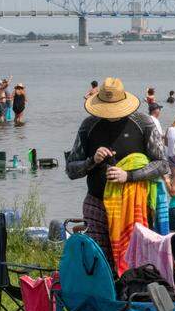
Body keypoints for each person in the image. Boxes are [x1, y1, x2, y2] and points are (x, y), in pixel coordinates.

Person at [65, 77, 169, 271]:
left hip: (133, 205)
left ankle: (129, 298)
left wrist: (128, 175)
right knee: (98, 261)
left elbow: (162, 164)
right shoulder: (88, 126)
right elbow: (70, 170)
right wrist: (92, 161)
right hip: (96, 203)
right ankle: (103, 299)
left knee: (134, 261)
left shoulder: (143, 123)